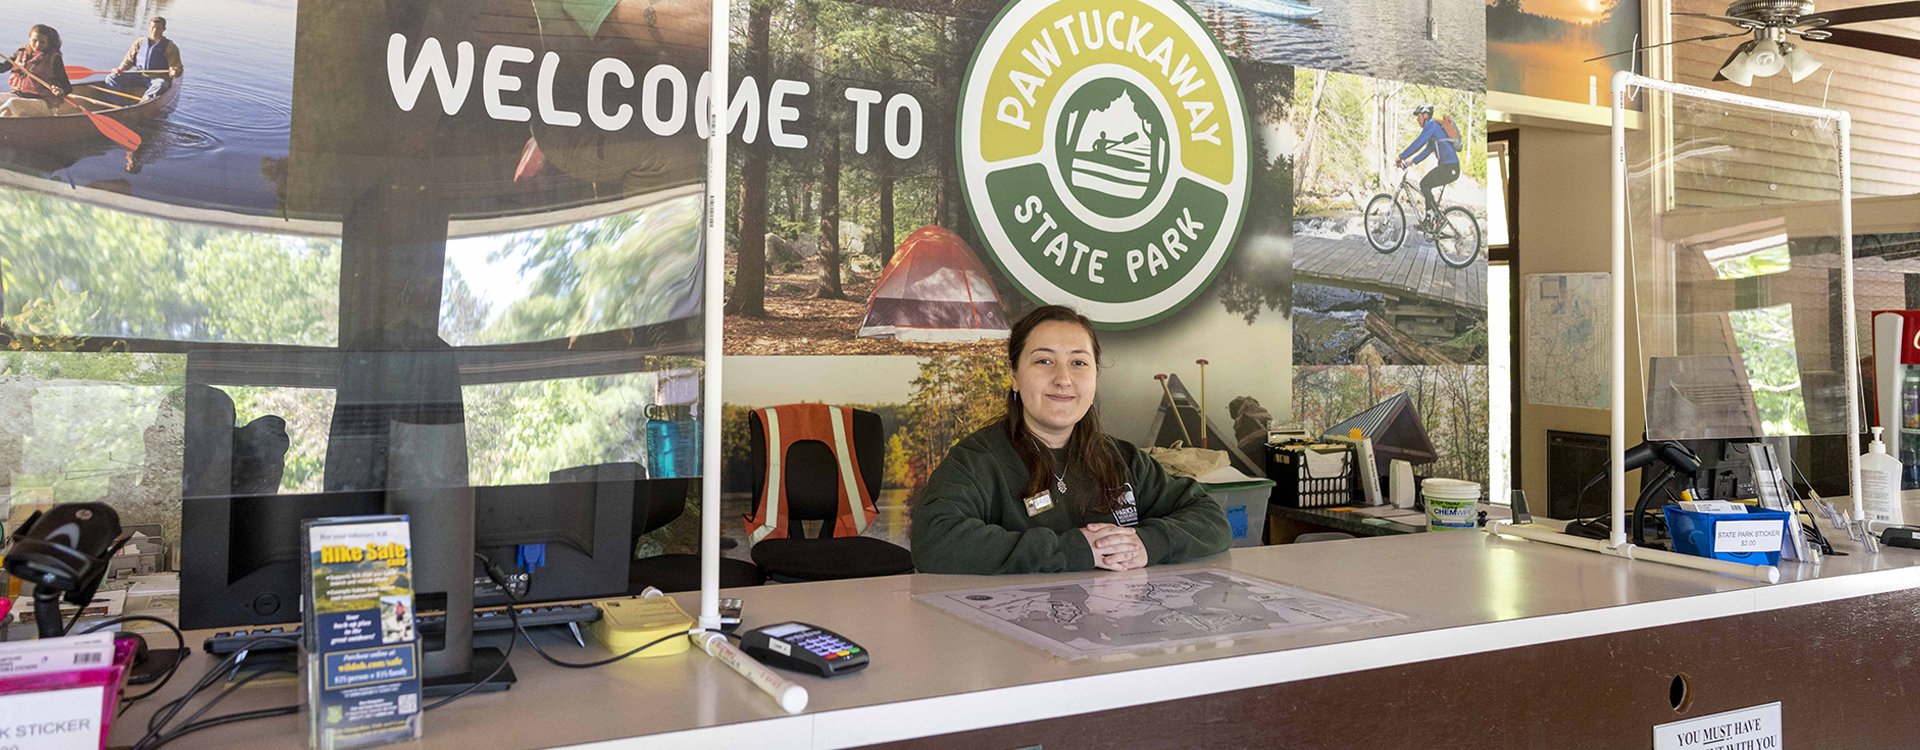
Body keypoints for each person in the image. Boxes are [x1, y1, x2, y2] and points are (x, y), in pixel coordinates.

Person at [910, 305, 1231, 574]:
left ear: (1095, 376)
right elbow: (935, 541)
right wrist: (1075, 550)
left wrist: (1149, 543)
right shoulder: (976, 460)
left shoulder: (1124, 459)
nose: (1063, 379)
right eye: (1044, 360)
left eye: (1078, 362)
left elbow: (1210, 518)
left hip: (1113, 636)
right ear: (1014, 375)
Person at [1395, 103, 1460, 230]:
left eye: (1418, 116)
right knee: (1426, 185)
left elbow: (1419, 142)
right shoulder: (1434, 131)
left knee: (1424, 184)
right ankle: (1430, 220)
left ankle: (1435, 220)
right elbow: (1426, 150)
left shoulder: (1431, 125)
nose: (1417, 119)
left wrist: (1401, 156)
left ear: (1425, 115)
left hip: (1450, 167)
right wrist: (1410, 161)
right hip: (1450, 168)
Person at [0, 25, 78, 118]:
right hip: (20, 95)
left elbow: (67, 87)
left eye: (42, 42)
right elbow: (2, 68)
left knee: (12, 103)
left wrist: (60, 90)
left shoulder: (54, 59)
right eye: (34, 40)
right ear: (29, 38)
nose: (37, 45)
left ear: (48, 42)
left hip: (44, 102)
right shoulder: (21, 53)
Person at [104, 16, 183, 100]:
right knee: (112, 78)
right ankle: (112, 102)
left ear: (164, 29)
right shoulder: (140, 42)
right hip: (139, 75)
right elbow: (128, 60)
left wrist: (174, 72)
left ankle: (143, 104)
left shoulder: (171, 47)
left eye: (158, 28)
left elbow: (178, 68)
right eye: (153, 27)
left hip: (157, 79)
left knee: (160, 85)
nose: (155, 30)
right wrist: (120, 69)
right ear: (149, 27)